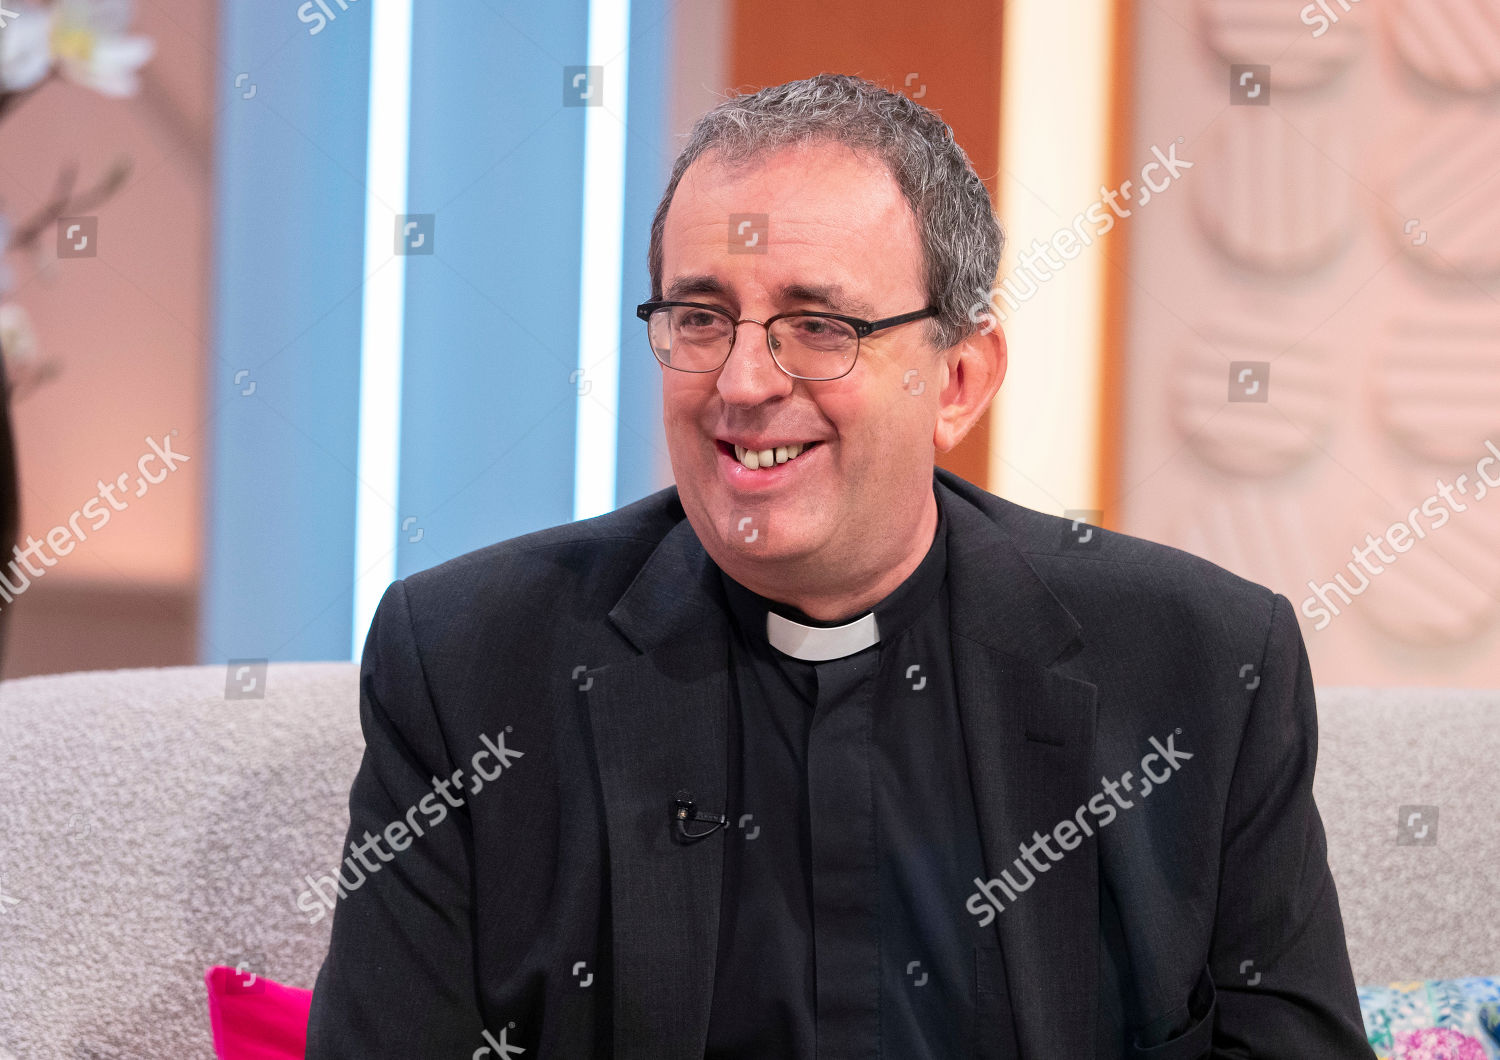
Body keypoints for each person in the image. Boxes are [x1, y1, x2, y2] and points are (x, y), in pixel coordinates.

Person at [305, 73, 1374, 1059]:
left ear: (957, 378)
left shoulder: (1205, 669)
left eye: (818, 325)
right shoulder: (465, 661)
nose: (743, 380)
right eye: (700, 317)